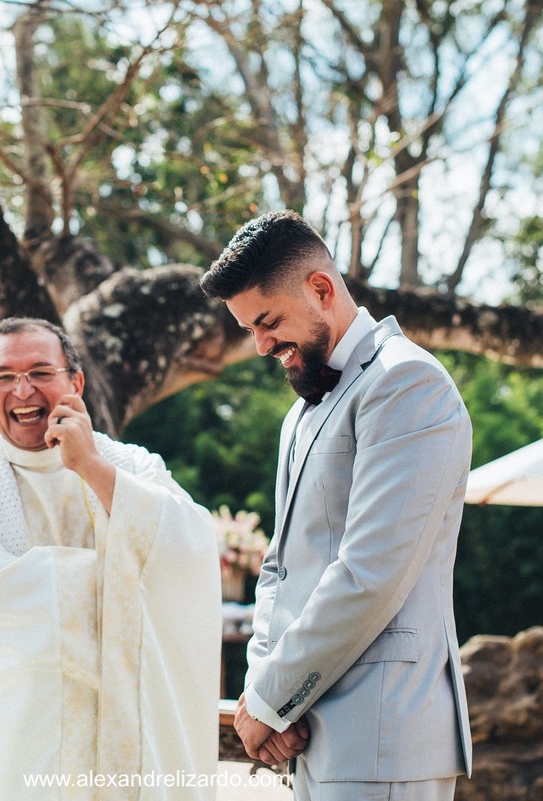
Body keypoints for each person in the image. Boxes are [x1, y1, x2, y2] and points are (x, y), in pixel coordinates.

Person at [199, 210, 473, 801]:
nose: (262, 344)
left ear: (321, 289)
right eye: (250, 329)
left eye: (268, 322)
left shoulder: (407, 384)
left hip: (385, 738)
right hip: (309, 736)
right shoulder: (301, 413)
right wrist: (264, 691)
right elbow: (279, 567)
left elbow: (370, 573)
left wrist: (271, 701)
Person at [0, 317, 221, 800]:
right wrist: (120, 581)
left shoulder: (133, 466)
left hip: (127, 730)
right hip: (24, 746)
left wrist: (89, 466)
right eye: (3, 377)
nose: (22, 390)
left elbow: (189, 551)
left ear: (75, 382)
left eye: (41, 372)